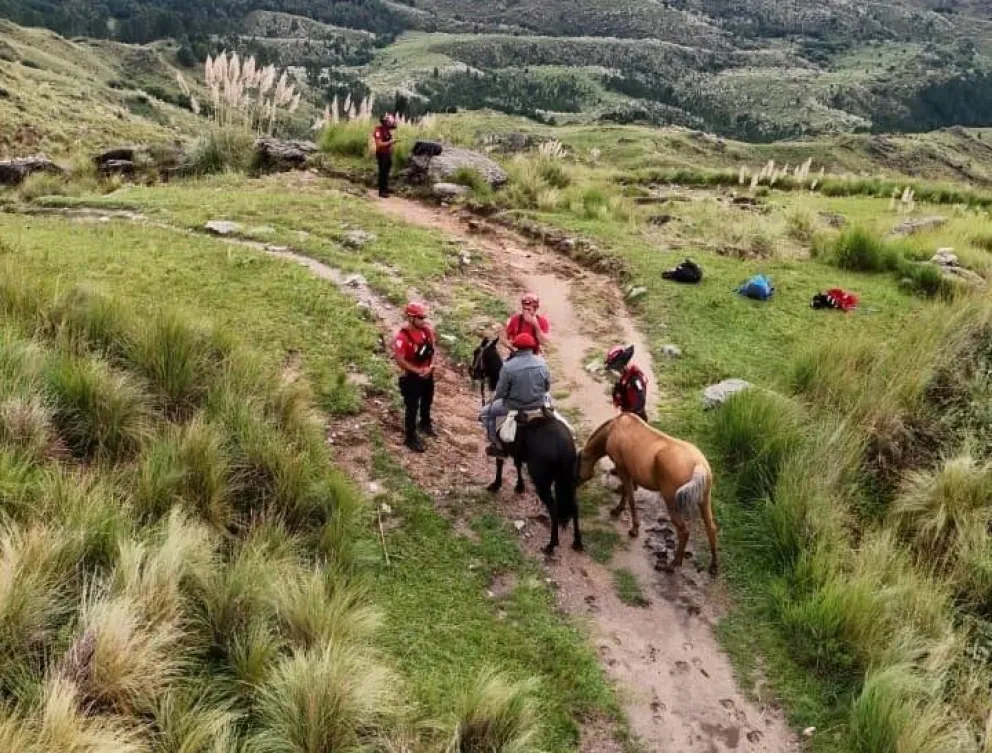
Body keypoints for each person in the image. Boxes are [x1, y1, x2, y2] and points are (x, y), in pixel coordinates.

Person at [479, 332, 552, 457]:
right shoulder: (542, 363)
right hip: (537, 405)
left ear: (516, 347)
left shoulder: (508, 367)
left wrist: (493, 400)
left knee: (485, 413)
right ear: (531, 347)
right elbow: (547, 386)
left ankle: (497, 445)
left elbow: (501, 393)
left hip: (514, 406)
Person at [393, 301, 437, 453]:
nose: (423, 320)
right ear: (411, 318)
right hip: (412, 377)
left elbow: (433, 349)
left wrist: (430, 367)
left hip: (427, 373)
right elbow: (400, 360)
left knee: (428, 399)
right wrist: (418, 371)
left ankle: (425, 423)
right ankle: (410, 437)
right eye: (420, 317)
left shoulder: (427, 331)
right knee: (412, 407)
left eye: (424, 317)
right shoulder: (402, 337)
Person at [605, 345, 648, 422]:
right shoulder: (624, 377)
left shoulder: (635, 378)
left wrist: (631, 415)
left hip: (635, 417)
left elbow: (640, 399)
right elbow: (618, 392)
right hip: (625, 413)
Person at [373, 113, 397, 198]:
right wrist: (390, 142)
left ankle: (385, 188)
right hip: (381, 154)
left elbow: (394, 127)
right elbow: (379, 144)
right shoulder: (378, 130)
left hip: (387, 154)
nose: (390, 125)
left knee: (386, 172)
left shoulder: (387, 130)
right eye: (388, 122)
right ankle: (381, 191)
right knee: (382, 172)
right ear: (384, 122)